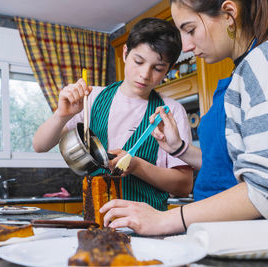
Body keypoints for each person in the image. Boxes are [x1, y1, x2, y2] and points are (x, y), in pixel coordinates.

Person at [100, 0, 268, 235]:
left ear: (229, 14)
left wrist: (164, 219)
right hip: (219, 235)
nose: (187, 46)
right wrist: (178, 148)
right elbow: (225, 164)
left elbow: (263, 188)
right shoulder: (239, 76)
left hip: (241, 236)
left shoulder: (261, 62)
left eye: (190, 30)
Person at [33, 18, 193, 211]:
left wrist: (136, 166)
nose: (144, 74)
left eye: (157, 68)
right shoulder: (92, 98)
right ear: (125, 53)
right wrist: (62, 115)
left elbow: (185, 185)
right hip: (95, 221)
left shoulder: (171, 111)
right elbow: (40, 145)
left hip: (149, 225)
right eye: (138, 61)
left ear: (167, 70)